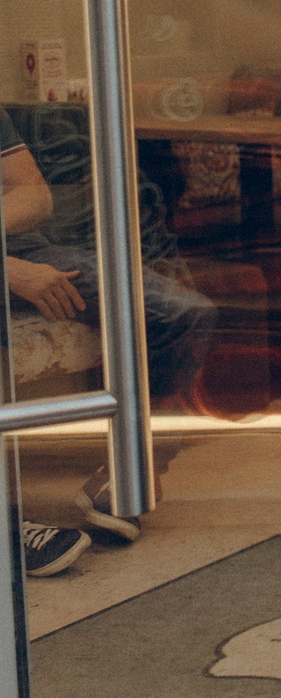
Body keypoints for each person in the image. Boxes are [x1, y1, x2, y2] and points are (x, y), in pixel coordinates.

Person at [1, 103, 216, 551]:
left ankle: (129, 475)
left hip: (24, 248)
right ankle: (11, 534)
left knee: (184, 311)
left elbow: (33, 195)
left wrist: (16, 264)